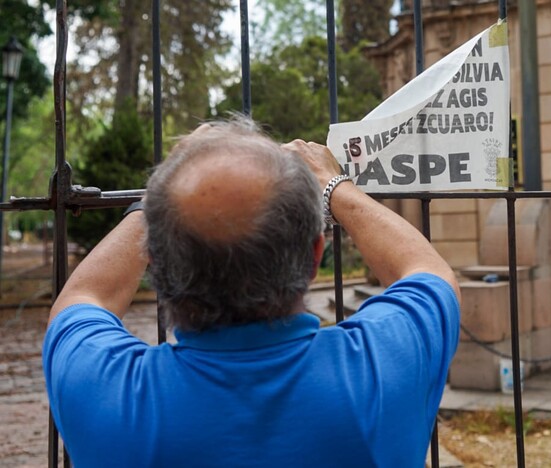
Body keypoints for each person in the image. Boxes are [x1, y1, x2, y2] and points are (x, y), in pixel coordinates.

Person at [43, 117, 461, 467]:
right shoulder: (383, 372)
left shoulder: (106, 396)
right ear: (315, 257)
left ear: (154, 259)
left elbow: (83, 296)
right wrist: (334, 185)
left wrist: (164, 190)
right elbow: (427, 271)